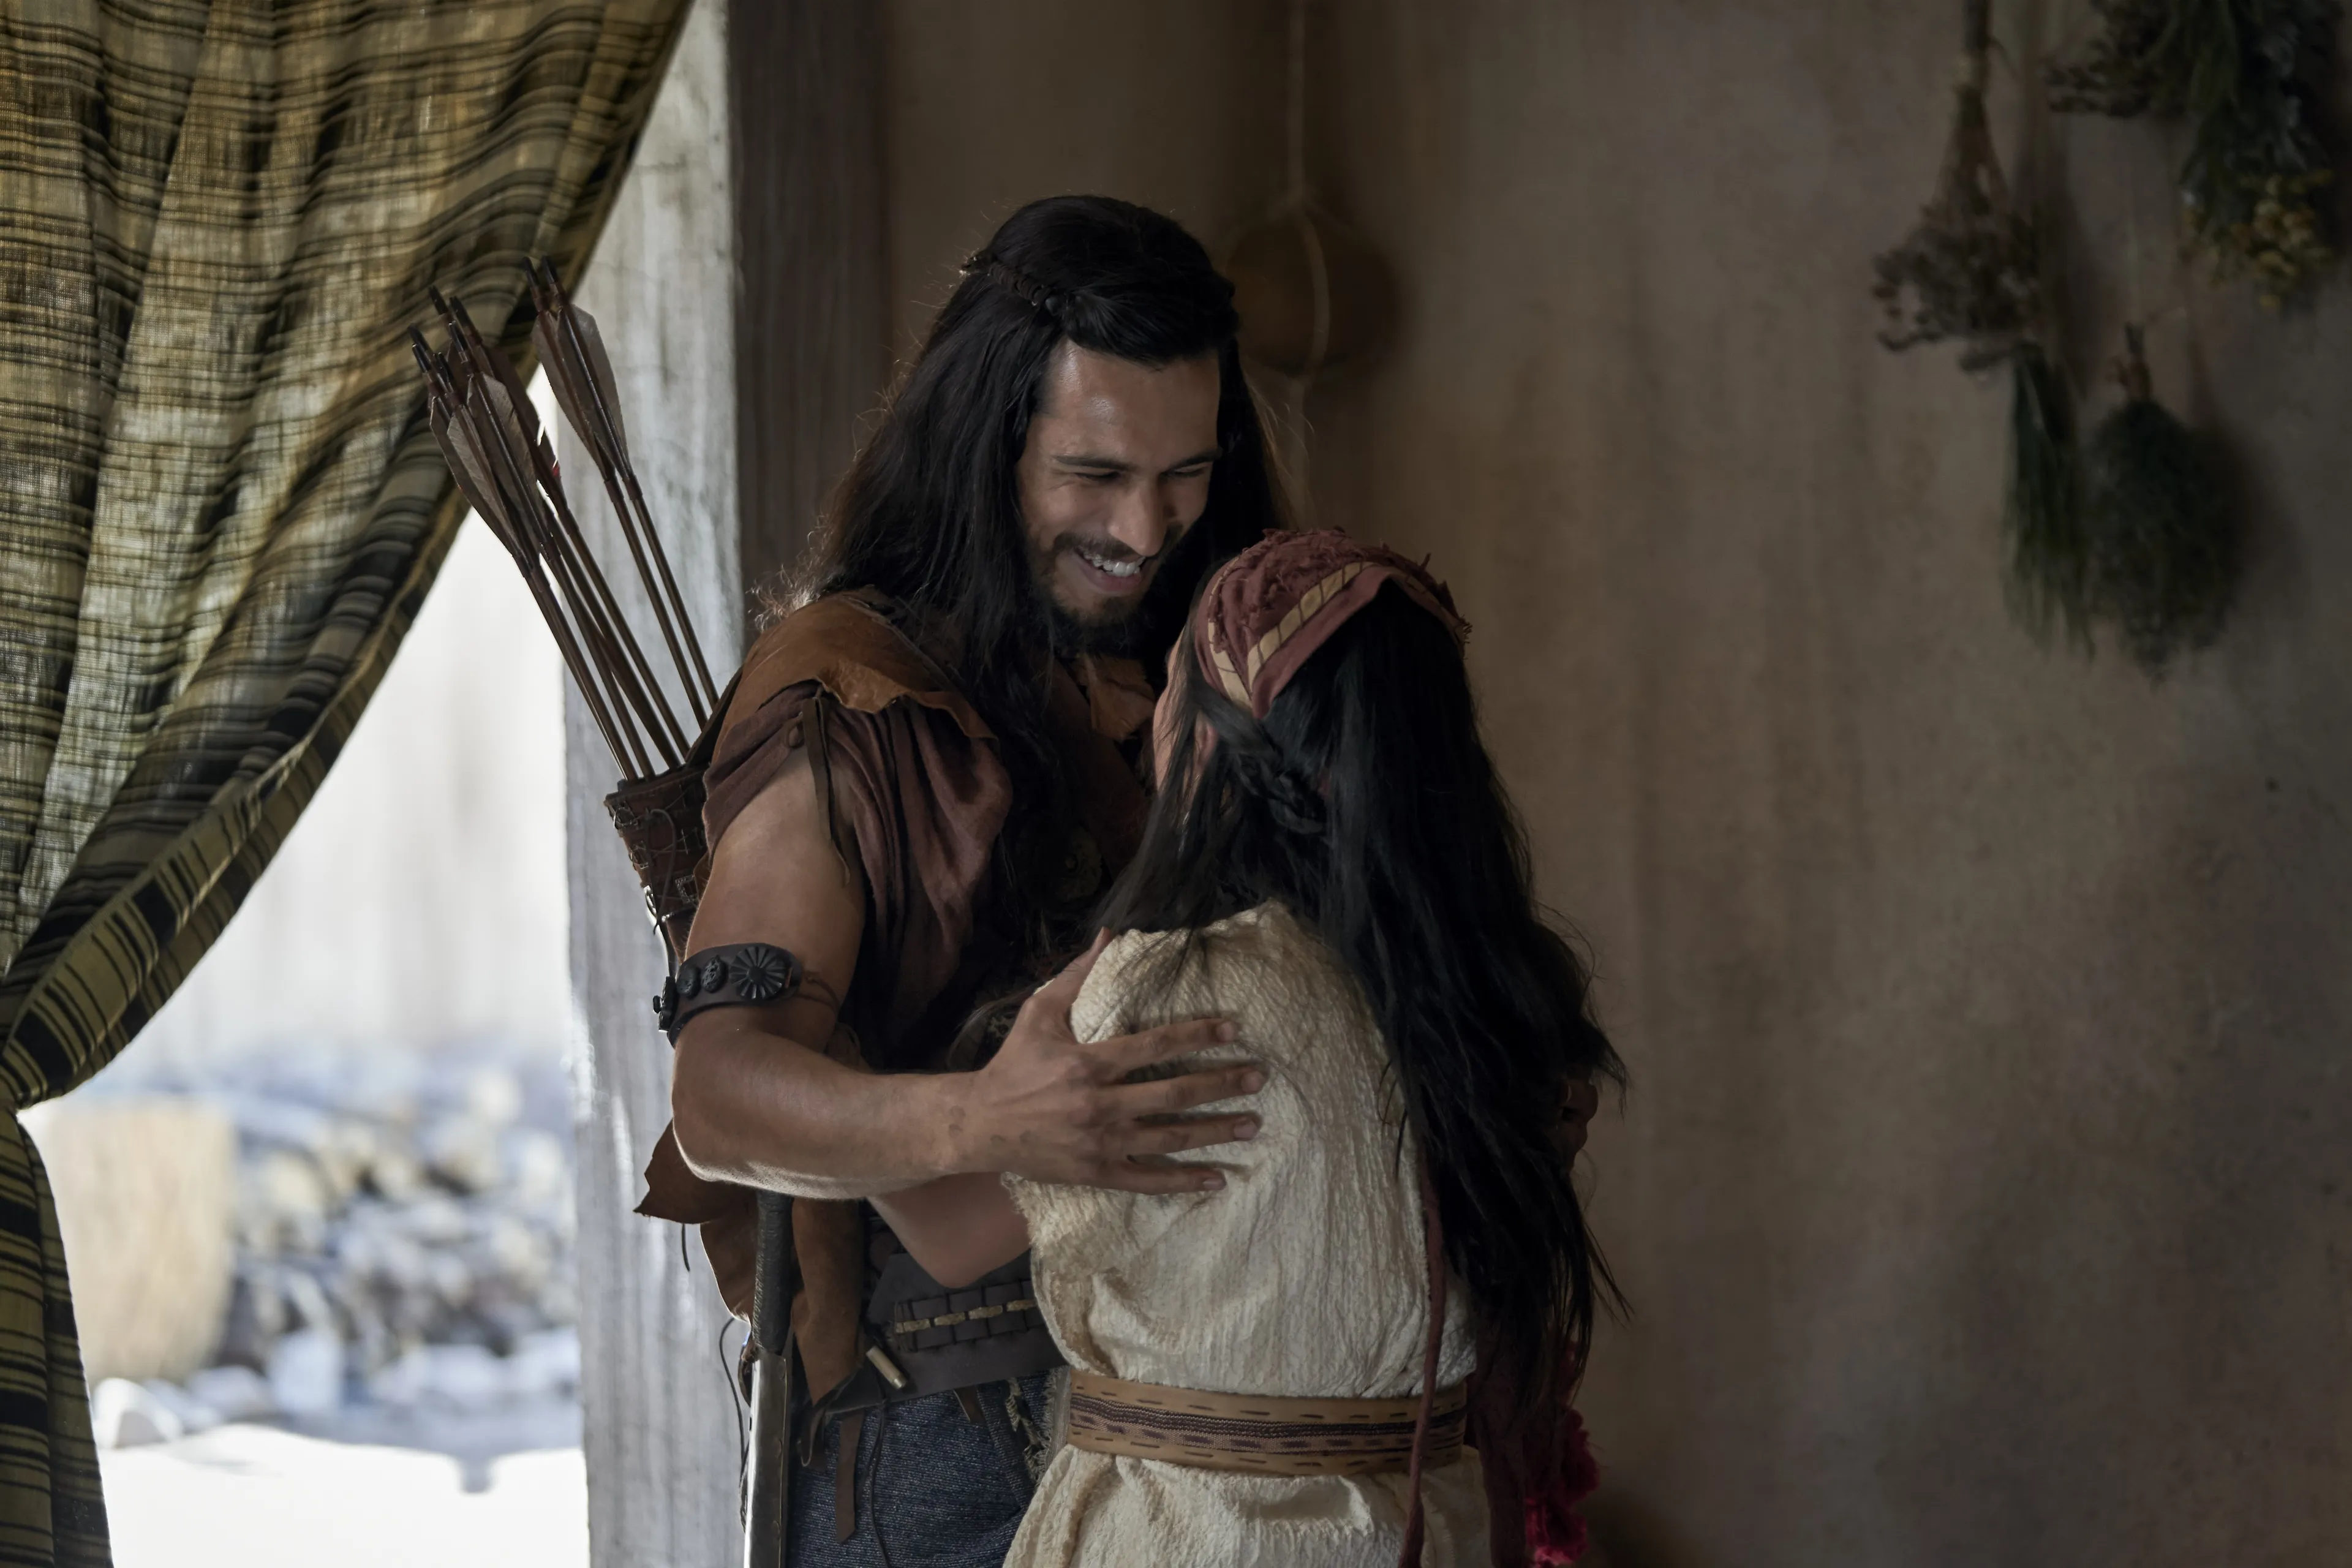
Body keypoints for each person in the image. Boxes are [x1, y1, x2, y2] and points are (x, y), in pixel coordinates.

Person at [642, 196, 1287, 1564]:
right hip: (954, 1446)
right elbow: (718, 1094)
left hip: (1214, 1397)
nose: (1147, 526)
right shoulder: (848, 701)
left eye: (1185, 473)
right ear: (986, 444)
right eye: (1094, 473)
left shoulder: (1200, 665)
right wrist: (988, 1117)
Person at [876, 529, 1618, 1567]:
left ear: (1214, 740)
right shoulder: (1507, 1001)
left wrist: (833, 1028)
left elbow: (951, 1232)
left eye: (1172, 679)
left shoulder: (1180, 994)